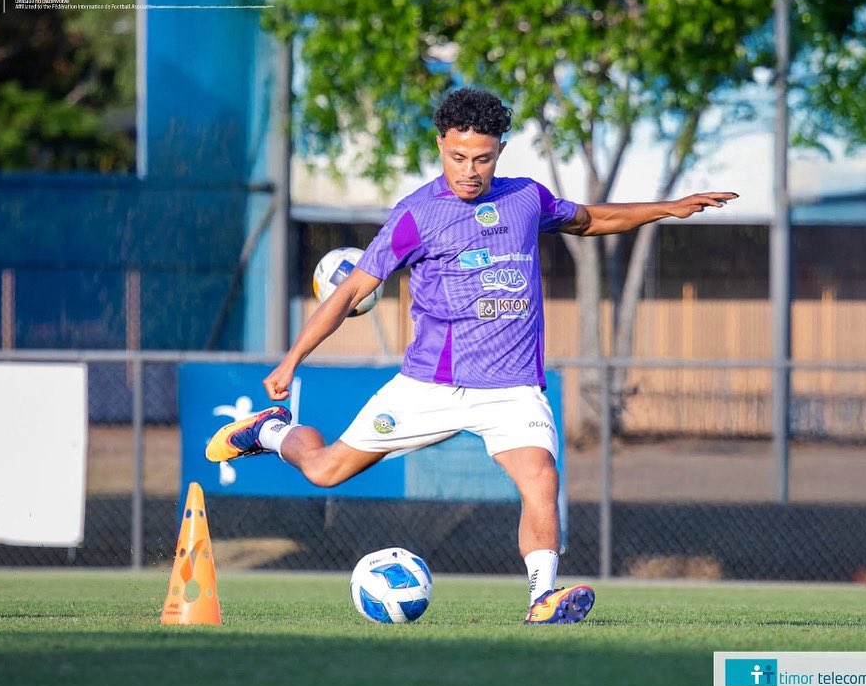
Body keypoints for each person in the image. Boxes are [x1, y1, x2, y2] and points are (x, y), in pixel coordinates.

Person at [205, 86, 737, 624]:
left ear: (500, 151)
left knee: (541, 476)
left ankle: (541, 599)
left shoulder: (525, 199)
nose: (469, 170)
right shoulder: (416, 215)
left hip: (511, 389)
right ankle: (272, 431)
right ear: (440, 145)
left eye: (482, 158)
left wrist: (666, 209)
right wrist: (292, 358)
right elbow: (347, 292)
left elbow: (591, 220)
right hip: (429, 387)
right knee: (324, 471)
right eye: (458, 157)